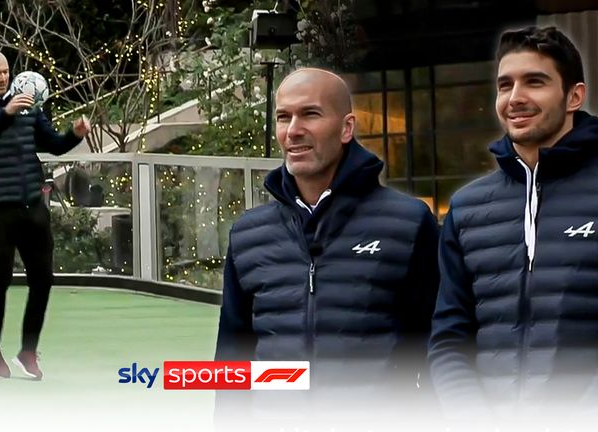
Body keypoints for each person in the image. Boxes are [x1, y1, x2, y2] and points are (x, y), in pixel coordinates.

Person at [215, 68, 439, 426]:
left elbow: (433, 349)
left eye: (311, 114)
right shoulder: (248, 233)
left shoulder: (409, 223)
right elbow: (232, 357)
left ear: (346, 128)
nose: (293, 130)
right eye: (283, 117)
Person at [429, 26, 598, 422]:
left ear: (574, 96)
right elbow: (450, 337)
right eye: (505, 86)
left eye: (534, 82)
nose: (515, 98)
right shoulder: (468, 208)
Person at [0, 49, 90, 380]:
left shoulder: (28, 105)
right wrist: (5, 113)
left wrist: (75, 135)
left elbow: (53, 144)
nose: (3, 78)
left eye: (5, 72)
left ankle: (28, 350)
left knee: (43, 279)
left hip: (33, 206)